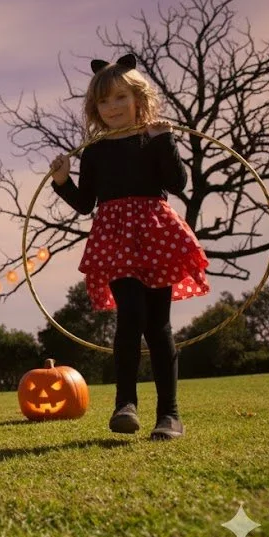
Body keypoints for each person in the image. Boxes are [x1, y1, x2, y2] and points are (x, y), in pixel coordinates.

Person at [50, 53, 209, 440]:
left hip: (155, 233)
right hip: (115, 237)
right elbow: (86, 202)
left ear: (139, 98)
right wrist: (61, 183)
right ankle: (126, 404)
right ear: (95, 108)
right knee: (130, 315)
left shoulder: (151, 138)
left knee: (158, 325)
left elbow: (176, 183)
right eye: (104, 101)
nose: (113, 107)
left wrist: (165, 140)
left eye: (120, 98)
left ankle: (169, 415)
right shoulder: (96, 150)